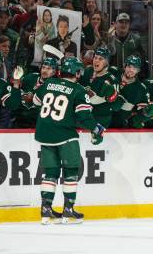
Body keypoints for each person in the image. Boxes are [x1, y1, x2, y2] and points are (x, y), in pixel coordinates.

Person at [32, 56, 105, 224]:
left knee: (50, 173)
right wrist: (96, 129)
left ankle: (46, 210)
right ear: (77, 73)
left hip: (45, 135)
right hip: (65, 135)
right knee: (71, 171)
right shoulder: (79, 90)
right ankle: (68, 210)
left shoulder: (48, 84)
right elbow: (84, 117)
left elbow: (36, 101)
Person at [80, 47, 121, 128]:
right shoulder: (88, 71)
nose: (96, 60)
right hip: (84, 116)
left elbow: (116, 106)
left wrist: (112, 96)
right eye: (95, 57)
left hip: (101, 120)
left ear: (106, 62)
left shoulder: (112, 80)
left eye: (100, 59)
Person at [14, 57, 58, 128]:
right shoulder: (30, 77)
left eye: (48, 68)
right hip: (20, 119)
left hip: (38, 122)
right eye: (43, 67)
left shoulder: (55, 86)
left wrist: (33, 99)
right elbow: (17, 89)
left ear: (54, 72)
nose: (45, 70)